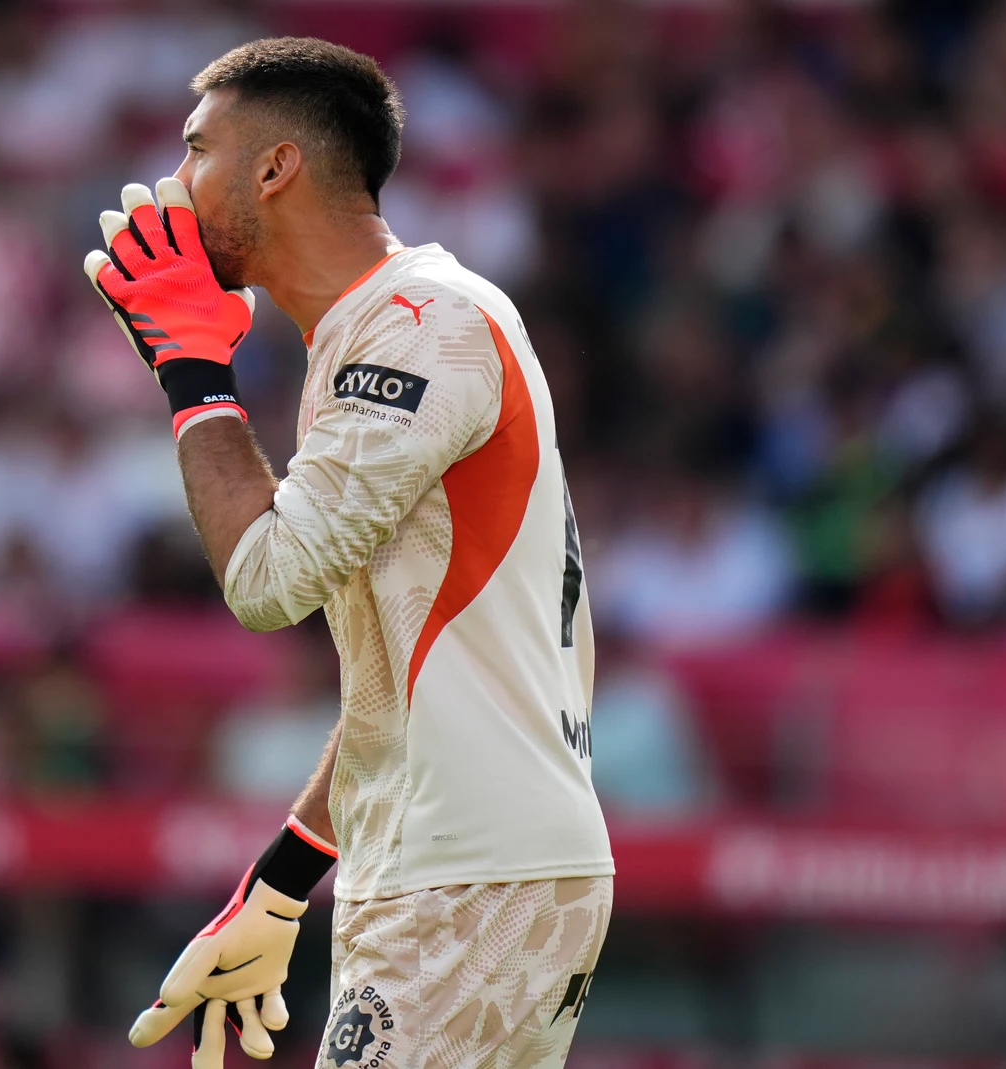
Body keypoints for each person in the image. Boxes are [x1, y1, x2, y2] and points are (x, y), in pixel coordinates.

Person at [82, 37, 613, 1069]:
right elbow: (396, 684)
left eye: (198, 151)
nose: (174, 186)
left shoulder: (419, 326)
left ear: (275, 167)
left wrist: (192, 373)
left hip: (468, 872)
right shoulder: (381, 330)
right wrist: (282, 879)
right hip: (471, 864)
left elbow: (269, 581)